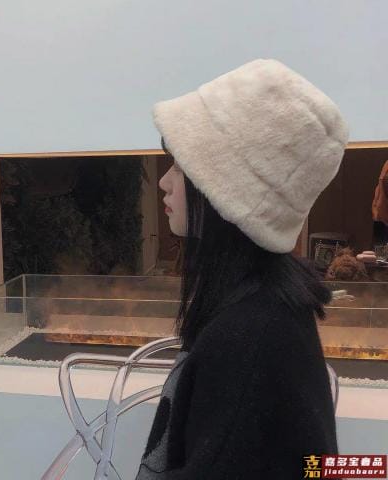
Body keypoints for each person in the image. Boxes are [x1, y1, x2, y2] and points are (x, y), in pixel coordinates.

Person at [135, 58, 349, 479]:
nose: (164, 182)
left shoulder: (248, 339)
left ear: (227, 193)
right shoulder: (265, 312)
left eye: (180, 166)